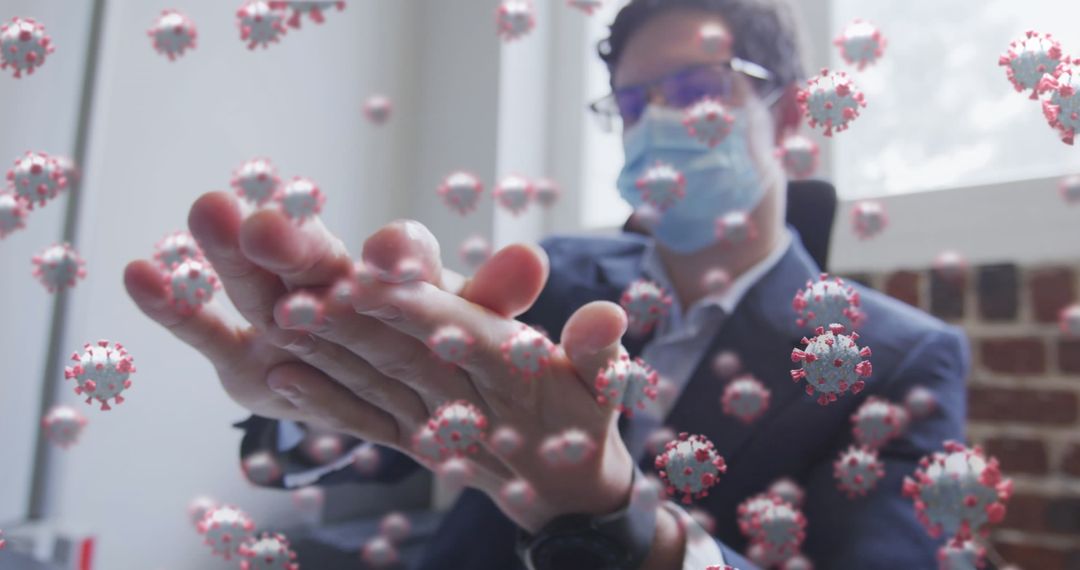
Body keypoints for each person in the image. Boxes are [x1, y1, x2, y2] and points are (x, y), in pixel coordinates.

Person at [124, 0, 969, 568]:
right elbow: (395, 436)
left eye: (697, 92)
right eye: (632, 105)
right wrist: (314, 397)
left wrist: (623, 520)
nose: (658, 126)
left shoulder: (897, 362)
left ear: (789, 118)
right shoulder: (549, 279)